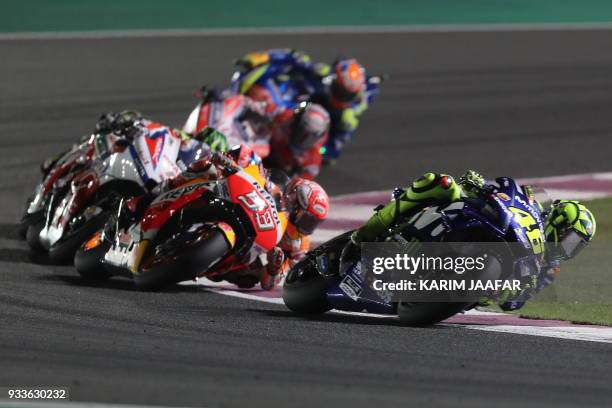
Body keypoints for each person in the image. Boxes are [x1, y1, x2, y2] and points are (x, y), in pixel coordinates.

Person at [349, 170, 596, 309]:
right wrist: (483, 187)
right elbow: (507, 188)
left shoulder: (547, 270)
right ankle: (366, 235)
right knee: (441, 182)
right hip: (478, 222)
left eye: (576, 247)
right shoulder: (532, 208)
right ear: (559, 223)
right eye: (570, 240)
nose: (568, 249)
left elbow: (514, 304)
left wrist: (509, 288)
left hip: (469, 293)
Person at [122, 137, 330, 291]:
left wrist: (275, 268)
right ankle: (165, 188)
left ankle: (206, 260)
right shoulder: (273, 188)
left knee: (250, 278)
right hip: (235, 206)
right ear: (293, 199)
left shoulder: (297, 244)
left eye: (312, 221)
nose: (306, 225)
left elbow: (269, 284)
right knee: (208, 169)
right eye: (305, 216)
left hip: (246, 251)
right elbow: (250, 166)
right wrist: (233, 164)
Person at [234, 49, 377, 161]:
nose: (341, 96)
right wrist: (264, 57)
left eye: (345, 94)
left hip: (293, 133)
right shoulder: (323, 76)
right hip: (285, 101)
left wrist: (315, 148)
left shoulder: (346, 118)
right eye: (339, 90)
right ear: (333, 80)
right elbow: (294, 56)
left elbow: (332, 151)